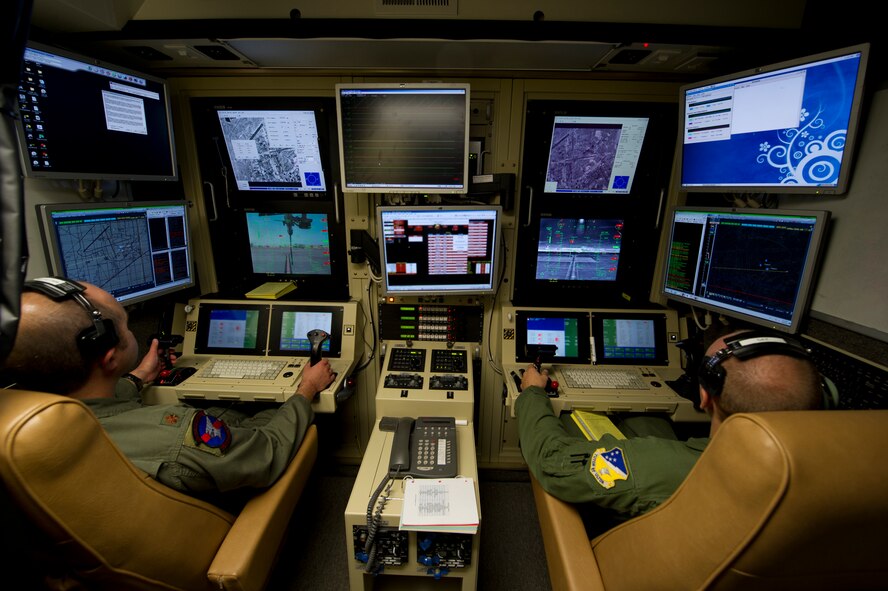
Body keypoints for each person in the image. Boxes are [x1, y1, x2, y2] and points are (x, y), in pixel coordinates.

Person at [1, 278, 334, 502]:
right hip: (215, 516)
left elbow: (103, 408)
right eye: (125, 325)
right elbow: (267, 452)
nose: (130, 331)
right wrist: (305, 390)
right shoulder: (176, 435)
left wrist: (138, 378)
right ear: (109, 356)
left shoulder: (22, 428)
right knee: (279, 415)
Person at [516, 326, 823, 520]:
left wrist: (531, 393)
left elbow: (554, 461)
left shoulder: (663, 467)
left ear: (704, 396)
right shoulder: (844, 475)